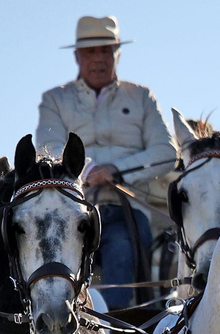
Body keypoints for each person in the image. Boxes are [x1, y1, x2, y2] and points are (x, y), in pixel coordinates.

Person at [35, 16, 175, 307]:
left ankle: (112, 327)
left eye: (106, 51)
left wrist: (117, 170)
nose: (98, 59)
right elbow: (48, 147)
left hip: (128, 209)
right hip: (72, 205)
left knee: (123, 248)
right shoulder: (55, 100)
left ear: (117, 55)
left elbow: (167, 152)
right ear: (77, 56)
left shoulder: (142, 97)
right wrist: (86, 170)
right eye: (90, 51)